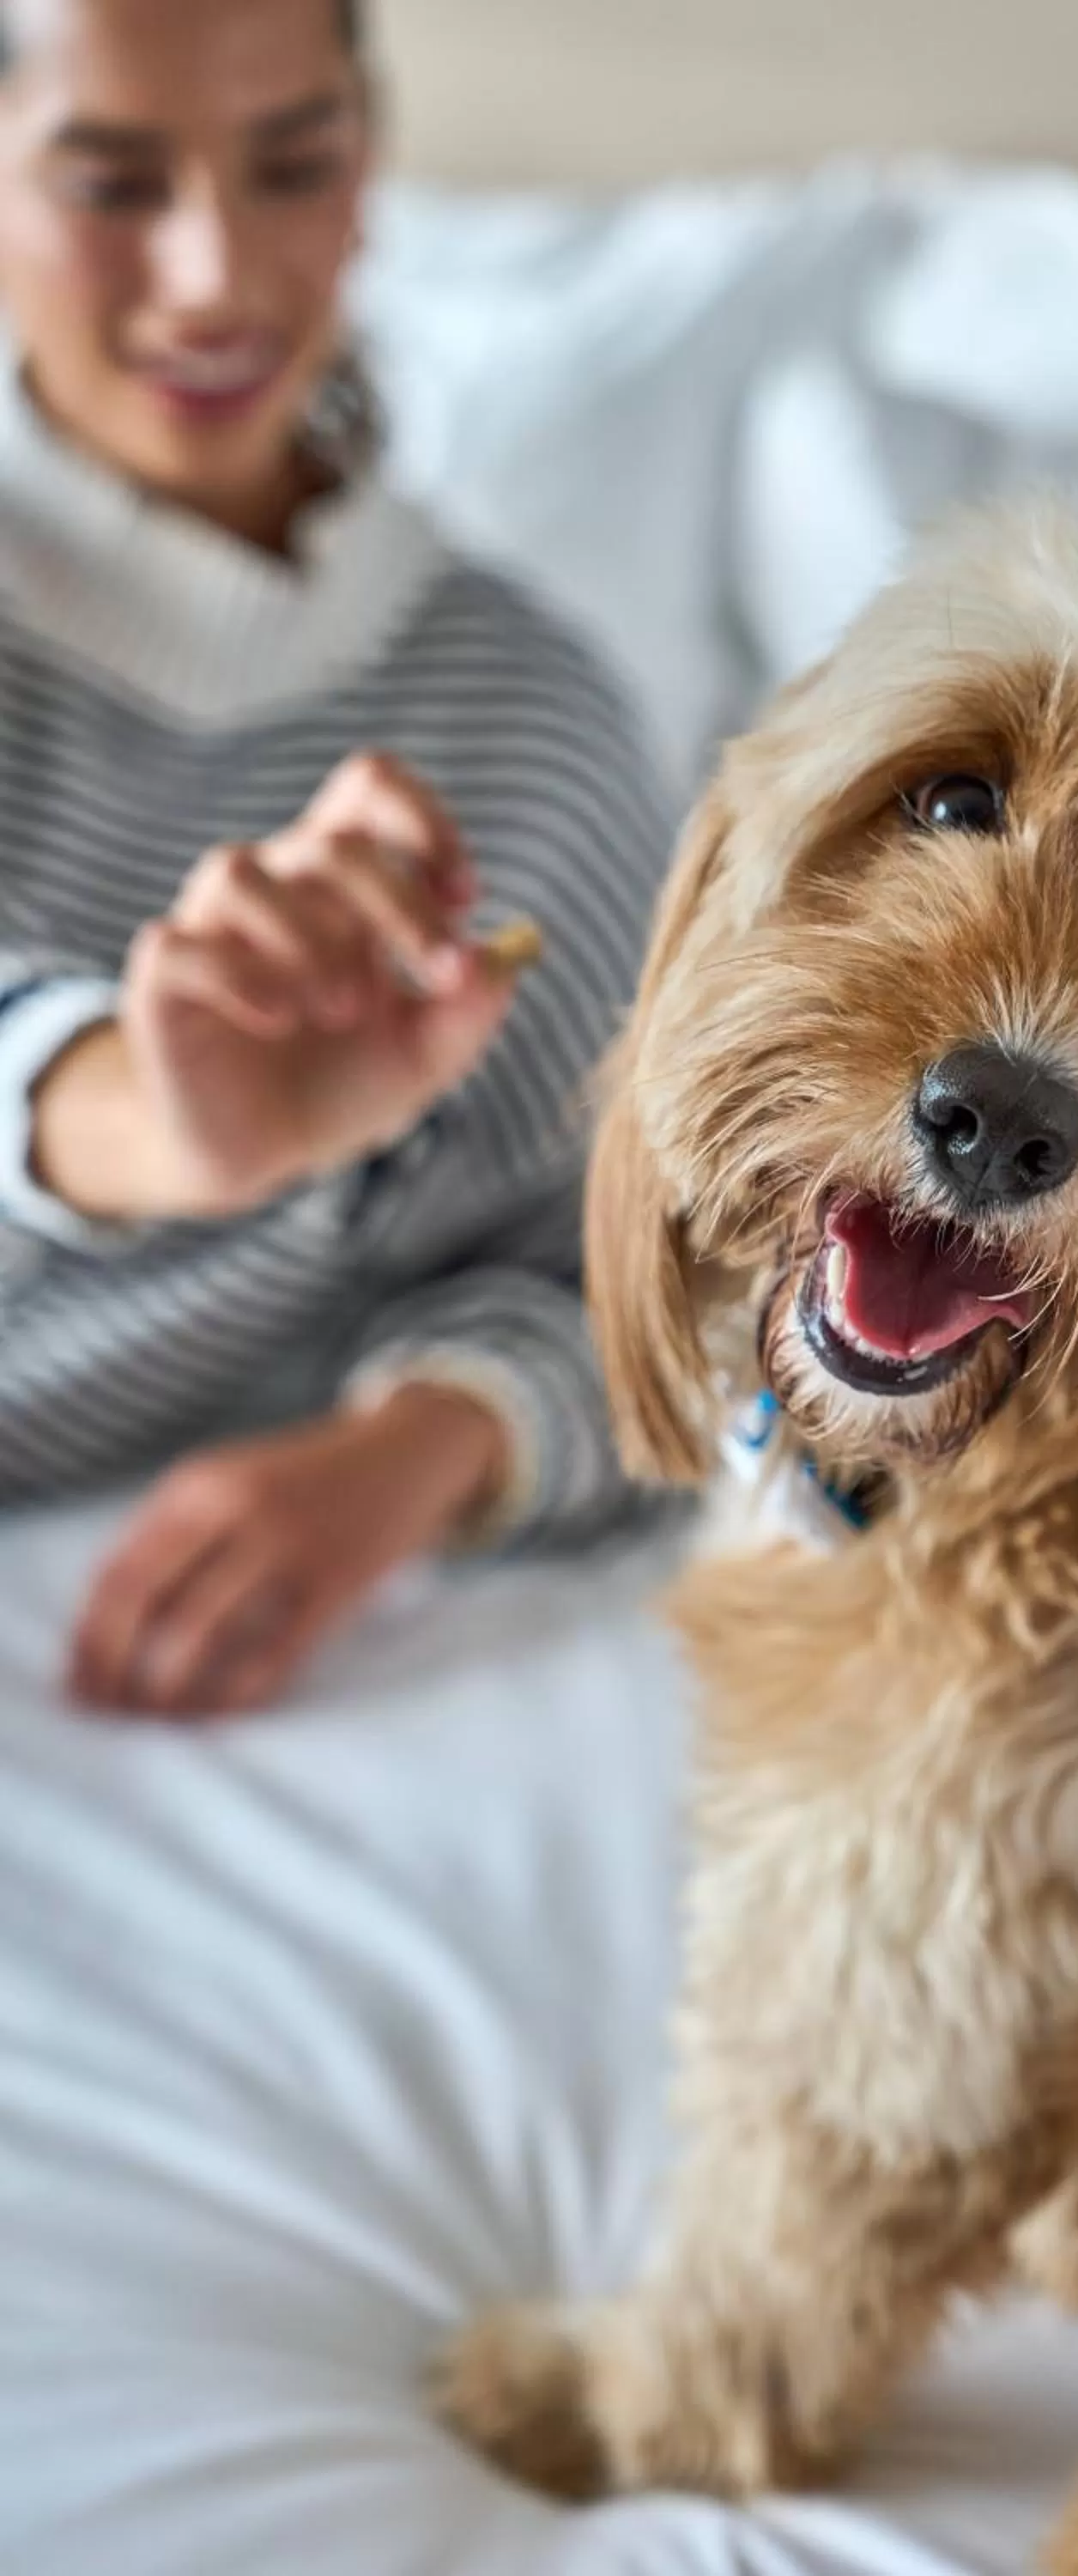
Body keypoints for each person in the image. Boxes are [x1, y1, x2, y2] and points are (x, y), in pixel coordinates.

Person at [0, 0, 675, 1715]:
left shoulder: (538, 729)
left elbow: (672, 1275)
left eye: (290, 166)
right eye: (108, 183)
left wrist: (430, 1444)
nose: (216, 273)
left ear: (368, 167)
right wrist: (145, 1121)